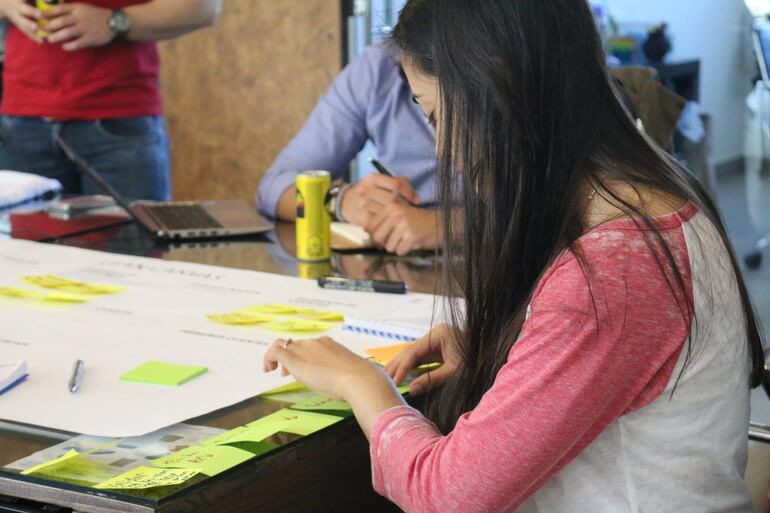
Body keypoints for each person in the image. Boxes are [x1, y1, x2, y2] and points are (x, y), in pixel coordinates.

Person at [263, 0, 764, 512]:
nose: (441, 151)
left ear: (493, 93)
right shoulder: (653, 194)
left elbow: (444, 497)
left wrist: (360, 382)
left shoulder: (614, 269)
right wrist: (513, 351)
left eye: (435, 114)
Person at [0, 0, 221, 201]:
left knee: (132, 244)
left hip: (120, 122)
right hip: (20, 121)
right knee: (26, 245)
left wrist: (114, 21)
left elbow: (203, 8)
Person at [257, 41, 442, 256]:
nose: (442, 147)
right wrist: (340, 201)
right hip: (403, 264)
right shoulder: (378, 68)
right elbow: (272, 189)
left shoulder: (487, 64)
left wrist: (449, 227)